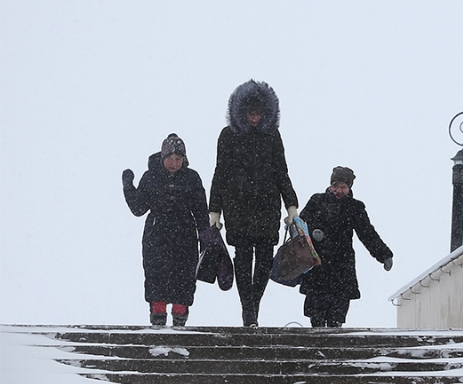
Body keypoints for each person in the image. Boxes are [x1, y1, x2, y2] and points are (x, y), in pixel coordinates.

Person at [208, 80, 299, 327]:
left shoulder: (272, 136)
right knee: (243, 256)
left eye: (259, 113)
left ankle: (253, 305)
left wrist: (291, 205)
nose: (255, 118)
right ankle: (248, 310)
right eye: (251, 113)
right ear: (242, 112)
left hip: (268, 205)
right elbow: (220, 172)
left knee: (265, 259)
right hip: (238, 206)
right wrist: (214, 208)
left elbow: (282, 172)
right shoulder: (228, 136)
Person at [122, 133, 209, 326]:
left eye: (178, 159)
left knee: (184, 282)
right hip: (156, 235)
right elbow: (138, 209)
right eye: (170, 158)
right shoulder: (151, 177)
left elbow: (201, 211)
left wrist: (206, 238)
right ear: (163, 158)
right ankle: (158, 326)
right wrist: (128, 186)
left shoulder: (192, 178)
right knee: (156, 281)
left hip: (185, 236)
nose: (174, 163)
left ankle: (179, 327)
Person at [299, 166, 393, 327]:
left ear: (349, 188)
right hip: (317, 264)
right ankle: (316, 346)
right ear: (330, 185)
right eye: (335, 186)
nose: (338, 190)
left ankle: (334, 346)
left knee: (337, 316)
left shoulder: (355, 208)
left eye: (343, 187)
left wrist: (384, 254)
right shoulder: (316, 201)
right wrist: (313, 231)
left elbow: (367, 233)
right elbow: (300, 226)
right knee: (316, 315)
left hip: (341, 266)